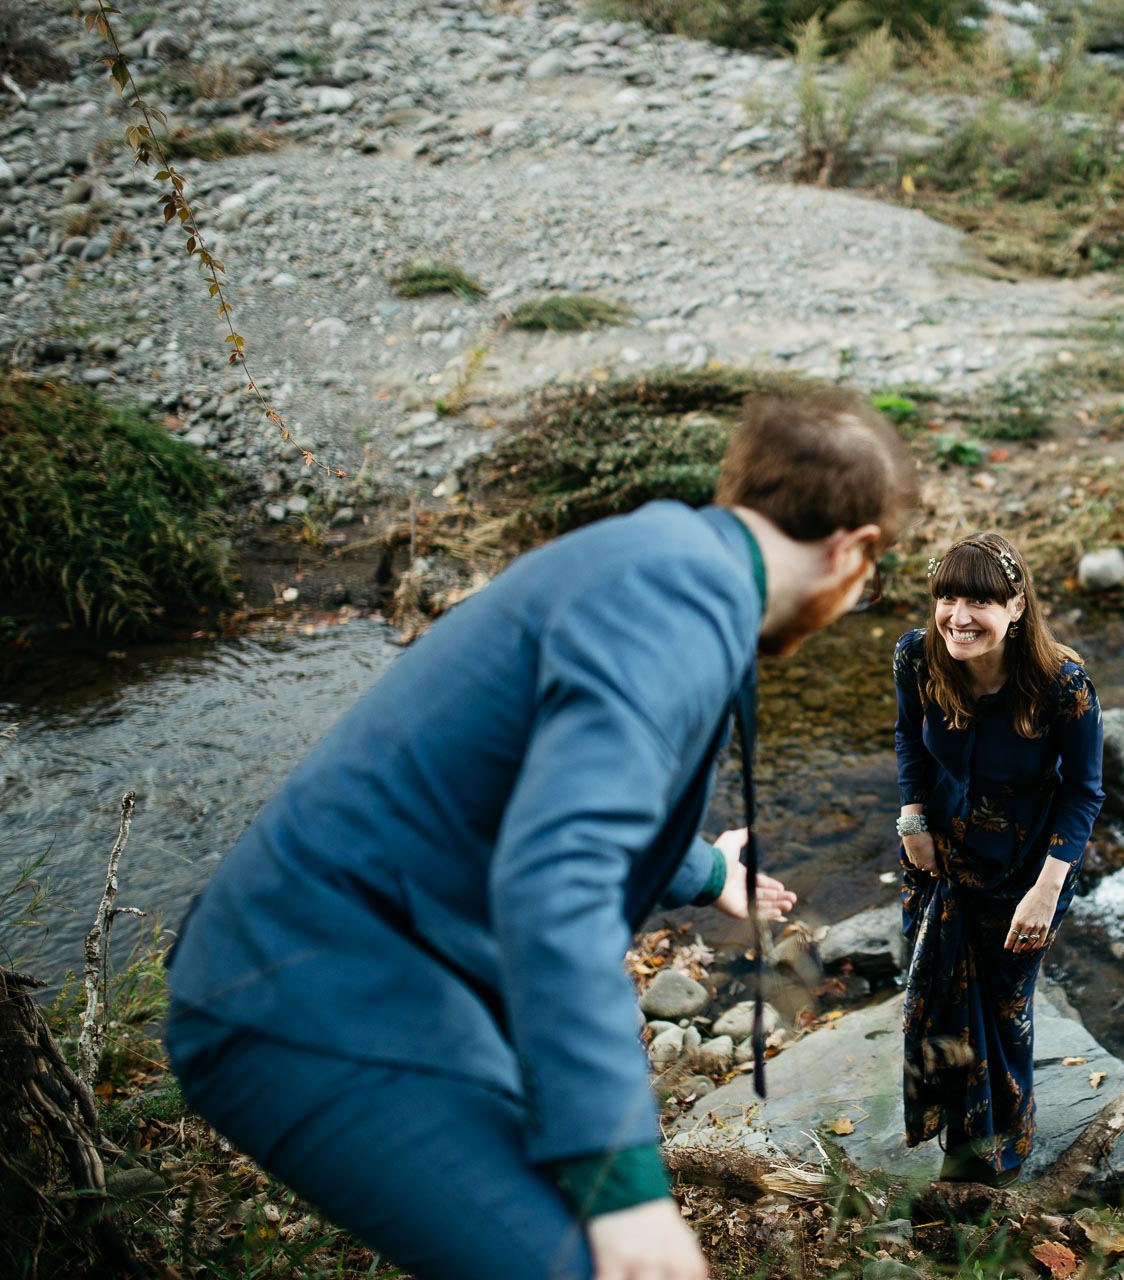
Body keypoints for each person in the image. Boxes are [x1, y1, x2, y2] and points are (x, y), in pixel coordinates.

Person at [164, 389, 918, 1280]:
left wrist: (706, 867)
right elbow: (560, 878)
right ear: (856, 551)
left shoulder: (661, 558)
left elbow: (555, 781)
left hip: (375, 966)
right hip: (308, 993)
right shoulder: (681, 604)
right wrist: (625, 1186)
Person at [892, 532, 1104, 1186]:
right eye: (947, 597)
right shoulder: (917, 657)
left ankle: (999, 1152)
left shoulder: (1060, 683)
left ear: (1016, 608)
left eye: (979, 601)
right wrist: (912, 818)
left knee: (1005, 1010)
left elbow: (1084, 790)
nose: (958, 616)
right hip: (942, 860)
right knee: (938, 994)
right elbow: (907, 737)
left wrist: (1046, 889)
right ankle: (953, 1131)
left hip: (1025, 873)